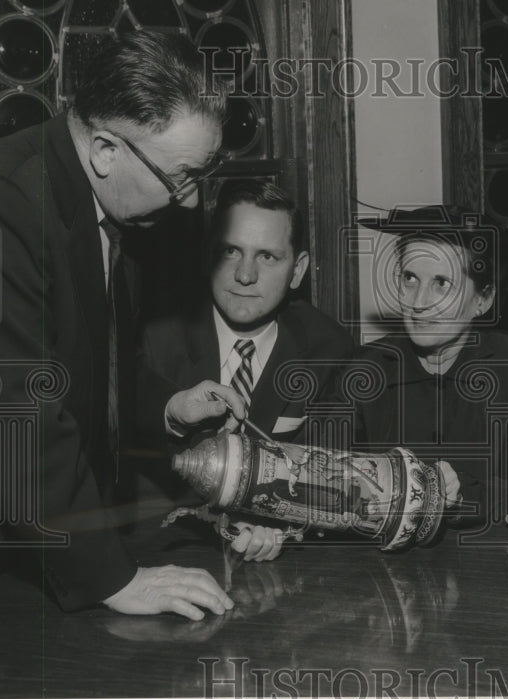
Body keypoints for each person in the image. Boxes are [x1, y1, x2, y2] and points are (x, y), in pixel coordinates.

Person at [0, 30, 236, 619]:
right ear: (106, 149)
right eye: (180, 177)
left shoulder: (115, 204)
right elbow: (16, 416)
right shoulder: (0, 198)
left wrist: (168, 405)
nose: (189, 203)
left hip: (52, 538)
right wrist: (115, 579)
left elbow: (100, 359)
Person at [137, 178, 356, 560]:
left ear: (298, 269)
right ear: (208, 255)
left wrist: (281, 520)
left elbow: (331, 479)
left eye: (267, 257)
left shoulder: (329, 348)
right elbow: (129, 479)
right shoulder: (154, 335)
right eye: (231, 252)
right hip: (168, 551)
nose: (245, 275)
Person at [347, 205, 508, 528]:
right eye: (410, 278)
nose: (418, 302)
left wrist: (462, 499)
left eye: (442, 284)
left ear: (482, 300)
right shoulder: (366, 370)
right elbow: (330, 480)